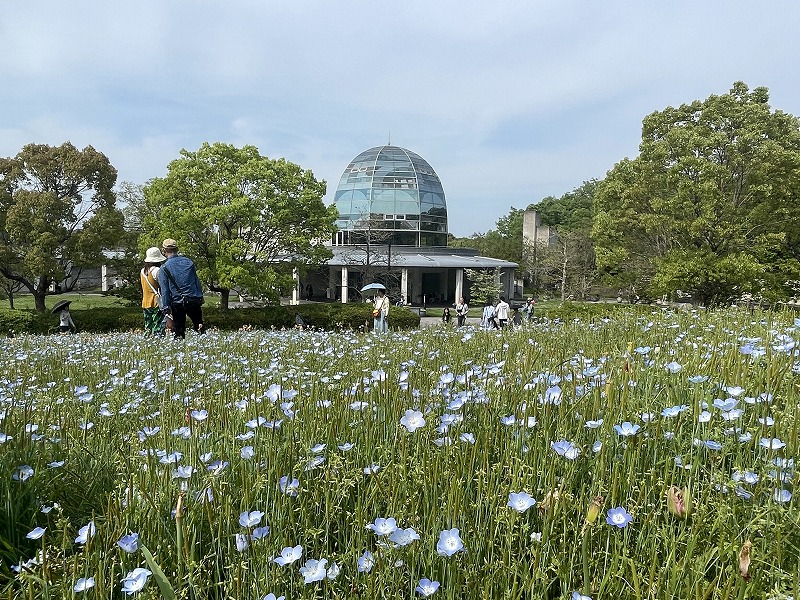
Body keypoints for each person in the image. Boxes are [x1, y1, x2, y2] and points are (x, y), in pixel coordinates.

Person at [158, 238, 205, 339]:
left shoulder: (164, 268)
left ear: (164, 250)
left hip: (177, 302)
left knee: (179, 332)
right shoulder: (188, 262)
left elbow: (165, 291)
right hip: (193, 299)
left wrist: (166, 308)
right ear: (177, 249)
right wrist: (200, 296)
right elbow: (196, 282)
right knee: (199, 327)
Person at [140, 246, 167, 336]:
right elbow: (164, 286)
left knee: (148, 327)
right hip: (156, 302)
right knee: (158, 326)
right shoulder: (157, 271)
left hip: (145, 302)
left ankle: (147, 342)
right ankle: (157, 342)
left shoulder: (143, 271)